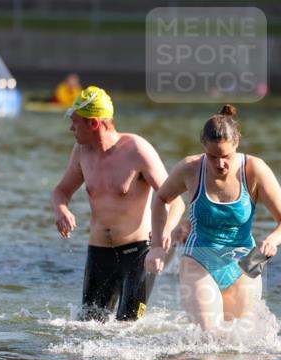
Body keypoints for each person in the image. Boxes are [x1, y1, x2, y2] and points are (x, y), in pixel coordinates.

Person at [146, 105, 281, 332]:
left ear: (236, 143)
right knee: (209, 338)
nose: (220, 164)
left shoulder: (255, 169)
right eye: (212, 156)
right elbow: (160, 200)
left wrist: (273, 240)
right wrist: (157, 246)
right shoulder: (190, 168)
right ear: (203, 147)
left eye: (225, 156)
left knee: (239, 346)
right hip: (199, 259)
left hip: (246, 262)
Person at [51, 86, 184, 321]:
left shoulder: (137, 150)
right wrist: (60, 209)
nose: (71, 128)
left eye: (75, 121)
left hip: (137, 254)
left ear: (94, 123)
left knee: (128, 328)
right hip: (99, 254)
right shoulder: (81, 151)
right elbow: (61, 191)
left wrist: (165, 233)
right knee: (87, 328)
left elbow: (176, 202)